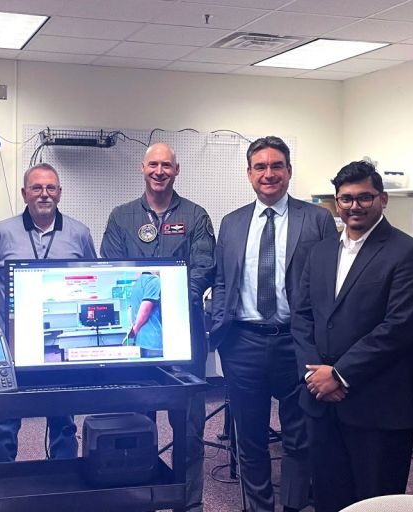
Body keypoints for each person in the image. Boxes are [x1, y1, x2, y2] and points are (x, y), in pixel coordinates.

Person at [292, 161, 413, 511]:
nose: (355, 206)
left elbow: (399, 327)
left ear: (382, 199)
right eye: (346, 198)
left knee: (376, 502)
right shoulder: (319, 252)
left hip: (376, 407)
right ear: (336, 202)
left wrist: (339, 374)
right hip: (321, 403)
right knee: (328, 497)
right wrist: (315, 375)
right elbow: (302, 315)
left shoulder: (408, 252)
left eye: (364, 197)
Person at [210, 136, 336, 512]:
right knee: (249, 439)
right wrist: (219, 324)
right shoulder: (231, 223)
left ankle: (294, 506)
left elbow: (330, 282)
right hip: (243, 343)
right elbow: (221, 280)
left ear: (289, 171)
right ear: (249, 174)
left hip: (297, 344)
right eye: (260, 167)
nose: (269, 174)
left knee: (300, 437)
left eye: (276, 166)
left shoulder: (316, 219)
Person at [100, 142, 214, 512]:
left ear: (176, 170)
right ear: (142, 168)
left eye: (167, 165)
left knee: (190, 429)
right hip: (138, 344)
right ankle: (139, 501)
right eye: (154, 164)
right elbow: (113, 267)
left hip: (185, 338)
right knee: (135, 427)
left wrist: (172, 306)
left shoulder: (196, 216)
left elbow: (201, 271)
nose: (160, 171)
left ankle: (188, 503)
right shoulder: (122, 217)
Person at [0, 163, 96, 463]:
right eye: (37, 188)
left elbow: (92, 279)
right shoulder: (1, 232)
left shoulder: (80, 233)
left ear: (59, 193)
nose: (44, 194)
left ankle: (64, 487)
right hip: (9, 348)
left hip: (60, 347)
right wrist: (13, 316)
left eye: (51, 188)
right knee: (3, 423)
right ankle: (2, 487)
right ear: (24, 193)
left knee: (64, 422)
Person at [125, 272, 162, 358]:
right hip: (153, 341)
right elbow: (146, 306)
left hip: (140, 340)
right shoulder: (153, 280)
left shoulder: (136, 285)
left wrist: (133, 329)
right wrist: (136, 328)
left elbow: (130, 310)